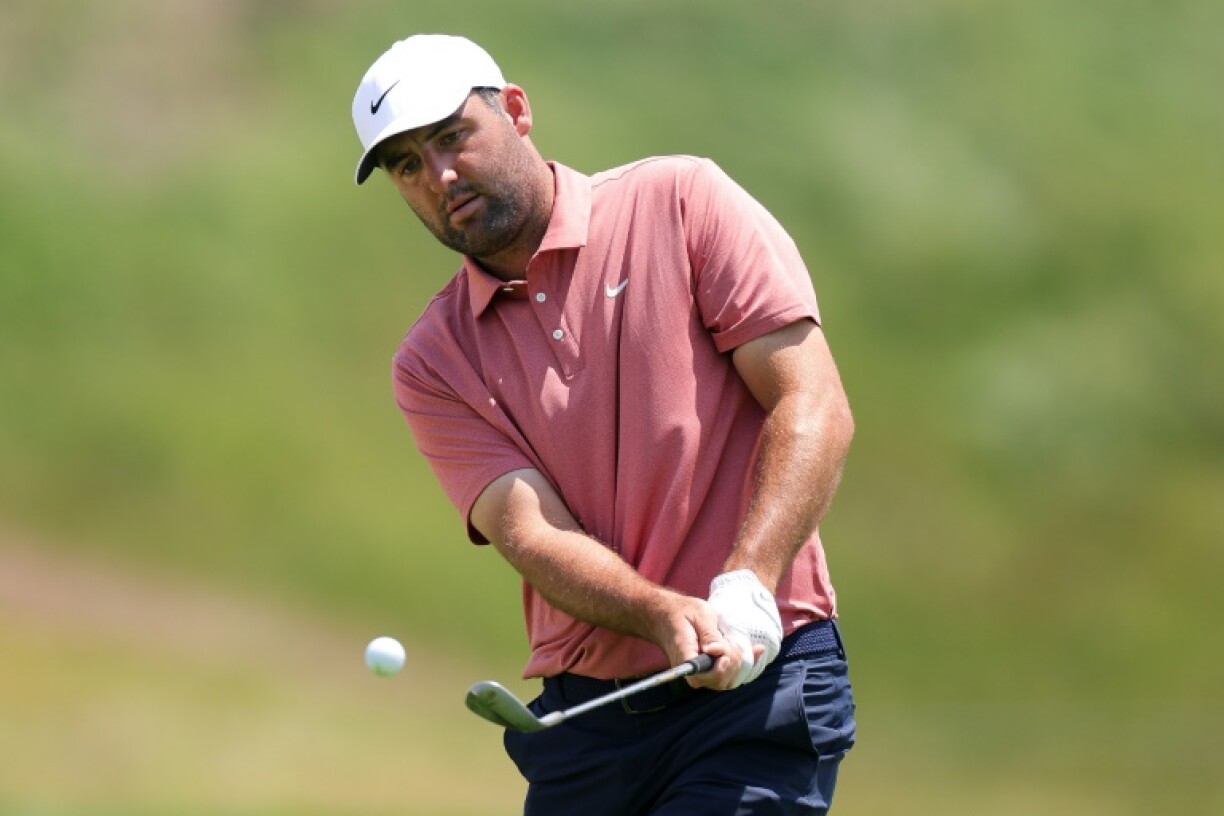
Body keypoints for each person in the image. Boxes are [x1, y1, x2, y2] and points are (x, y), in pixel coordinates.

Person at [350, 33, 858, 815]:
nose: (440, 175)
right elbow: (533, 535)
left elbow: (811, 400)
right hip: (586, 724)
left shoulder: (681, 201)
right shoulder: (433, 360)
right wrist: (660, 612)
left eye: (453, 137)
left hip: (758, 681)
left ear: (515, 110)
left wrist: (749, 580)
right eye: (408, 165)